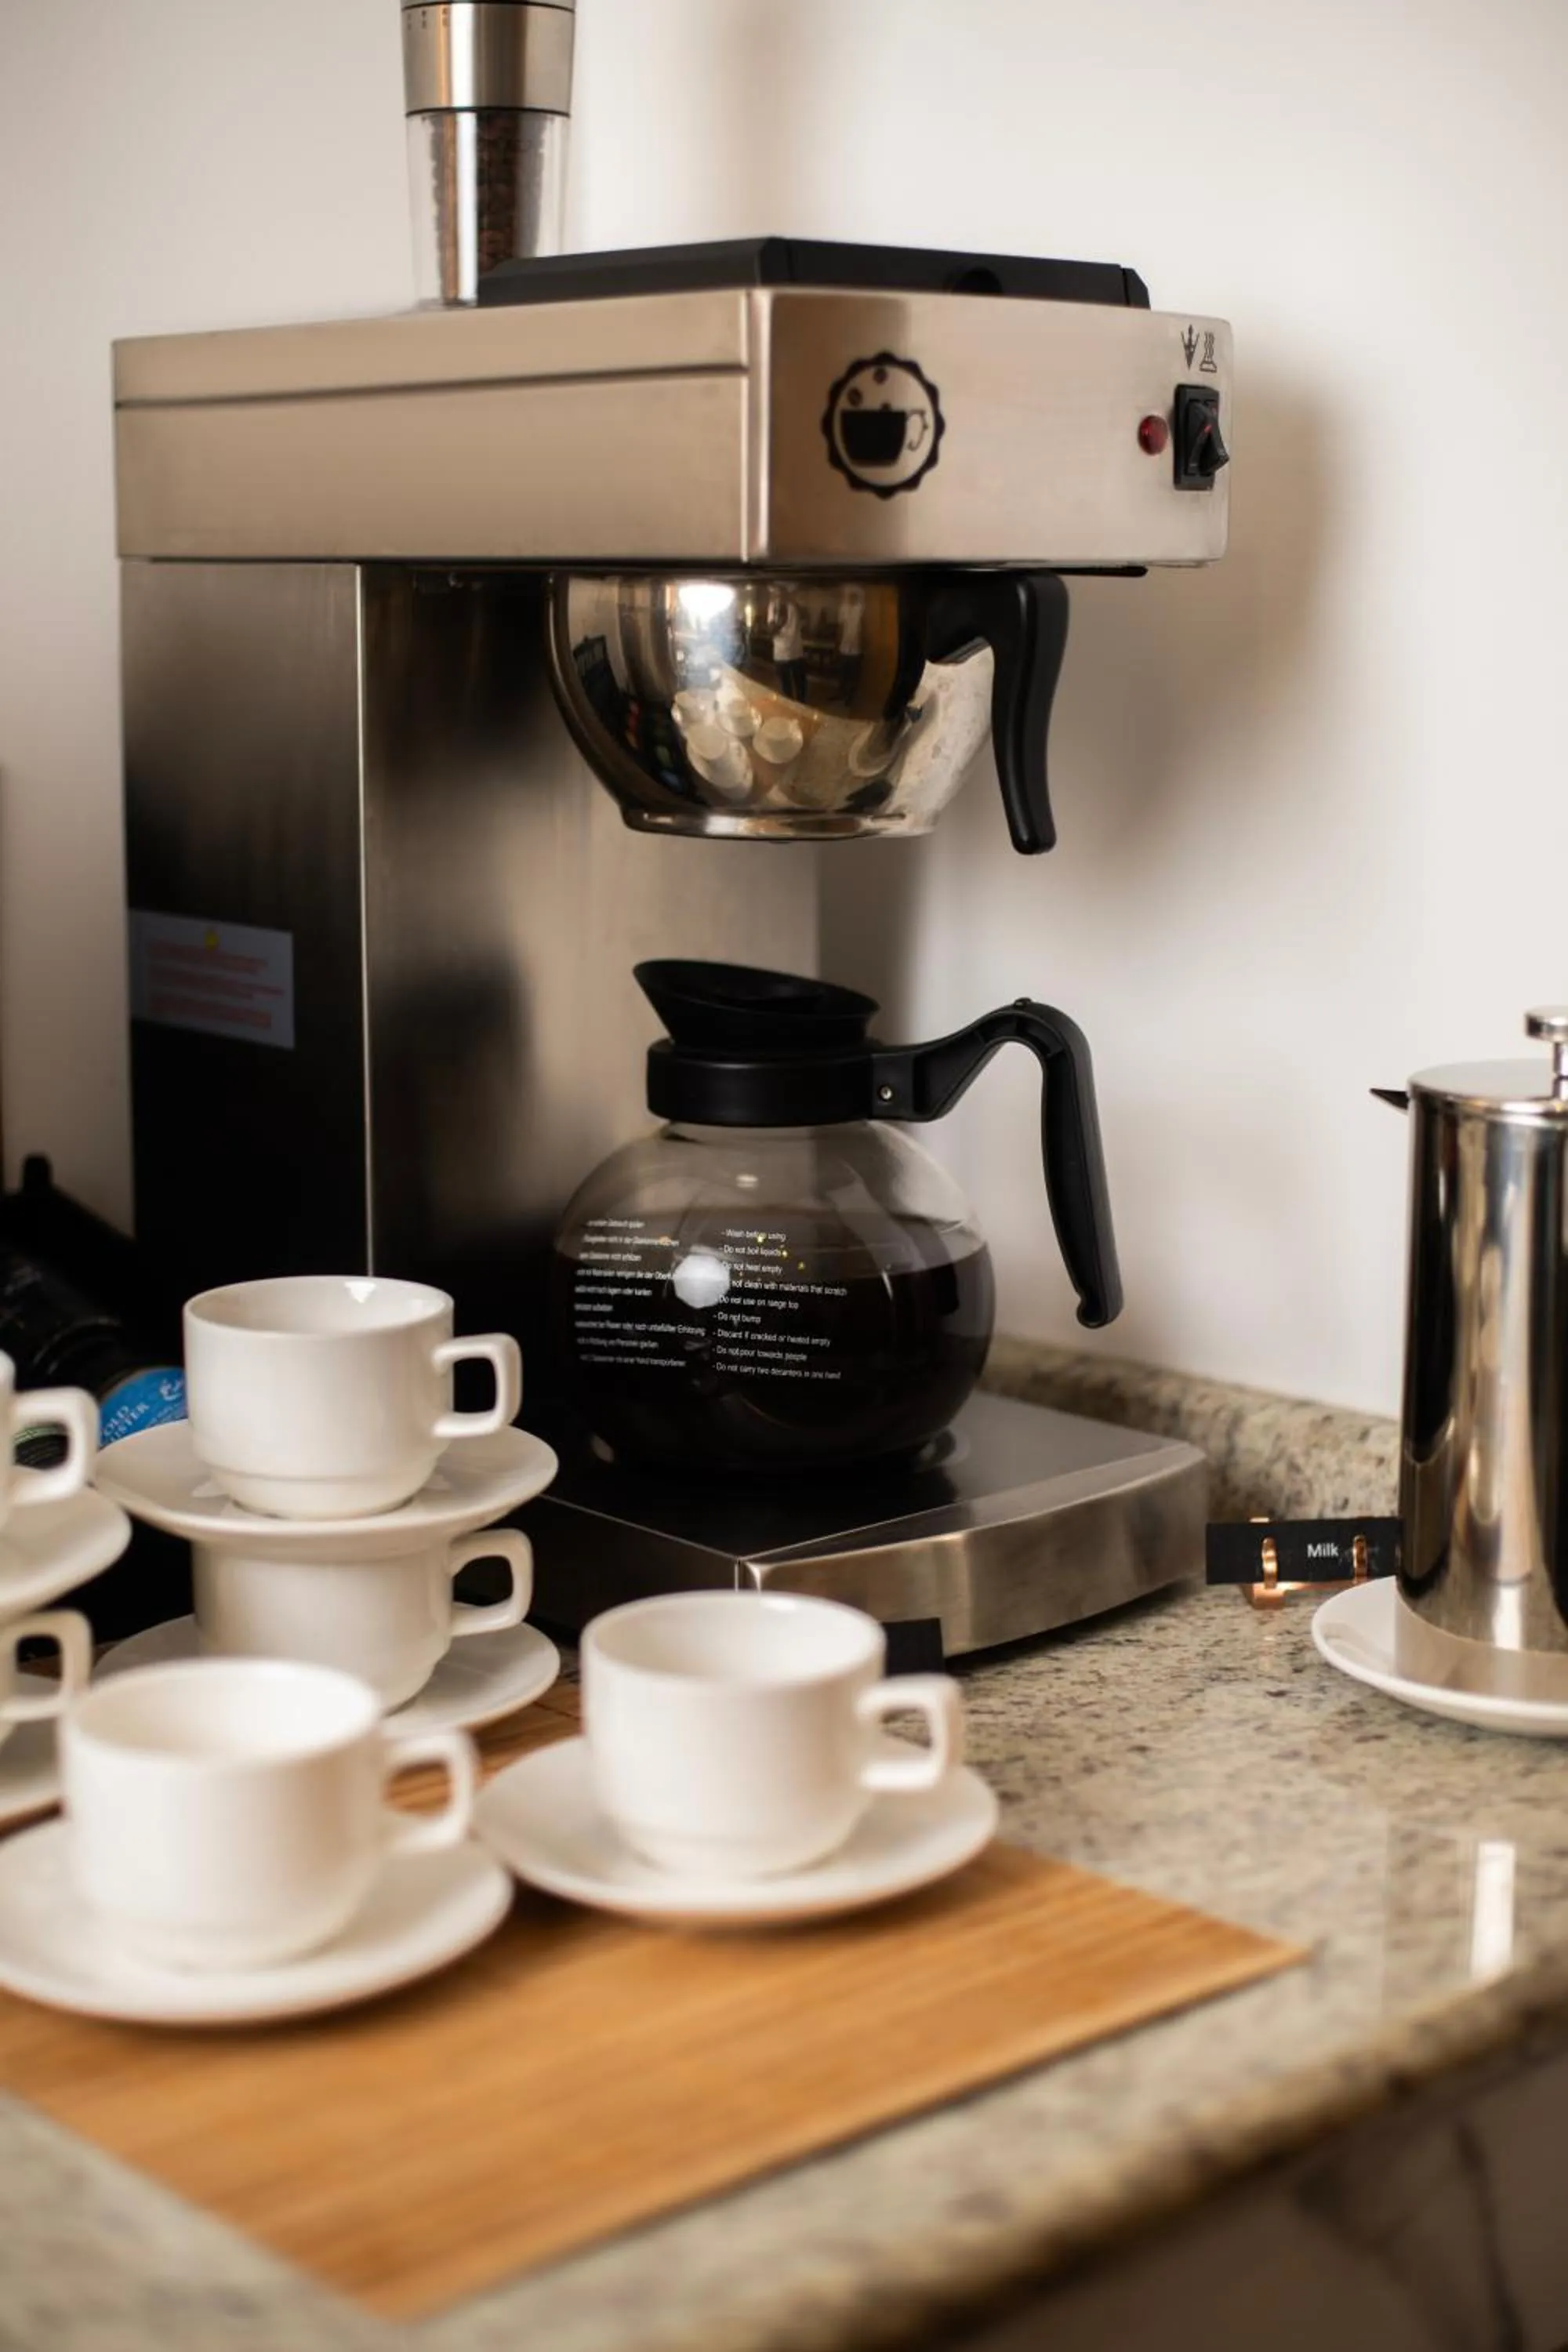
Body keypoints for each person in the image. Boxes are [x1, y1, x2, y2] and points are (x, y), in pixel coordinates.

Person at [770, 593, 808, 705]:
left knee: (801, 684)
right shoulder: (772, 606)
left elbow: (806, 619)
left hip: (796, 651)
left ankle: (802, 708)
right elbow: (771, 630)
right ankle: (791, 707)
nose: (779, 594)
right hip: (781, 653)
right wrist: (780, 623)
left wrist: (796, 605)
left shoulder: (796, 604)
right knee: (786, 686)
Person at [837, 583, 865, 705]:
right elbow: (840, 626)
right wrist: (837, 645)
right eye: (848, 595)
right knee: (843, 673)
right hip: (844, 647)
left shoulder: (861, 608)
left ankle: (850, 698)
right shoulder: (843, 607)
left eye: (853, 595)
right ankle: (841, 694)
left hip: (856, 649)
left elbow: (865, 627)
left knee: (854, 676)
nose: (850, 597)